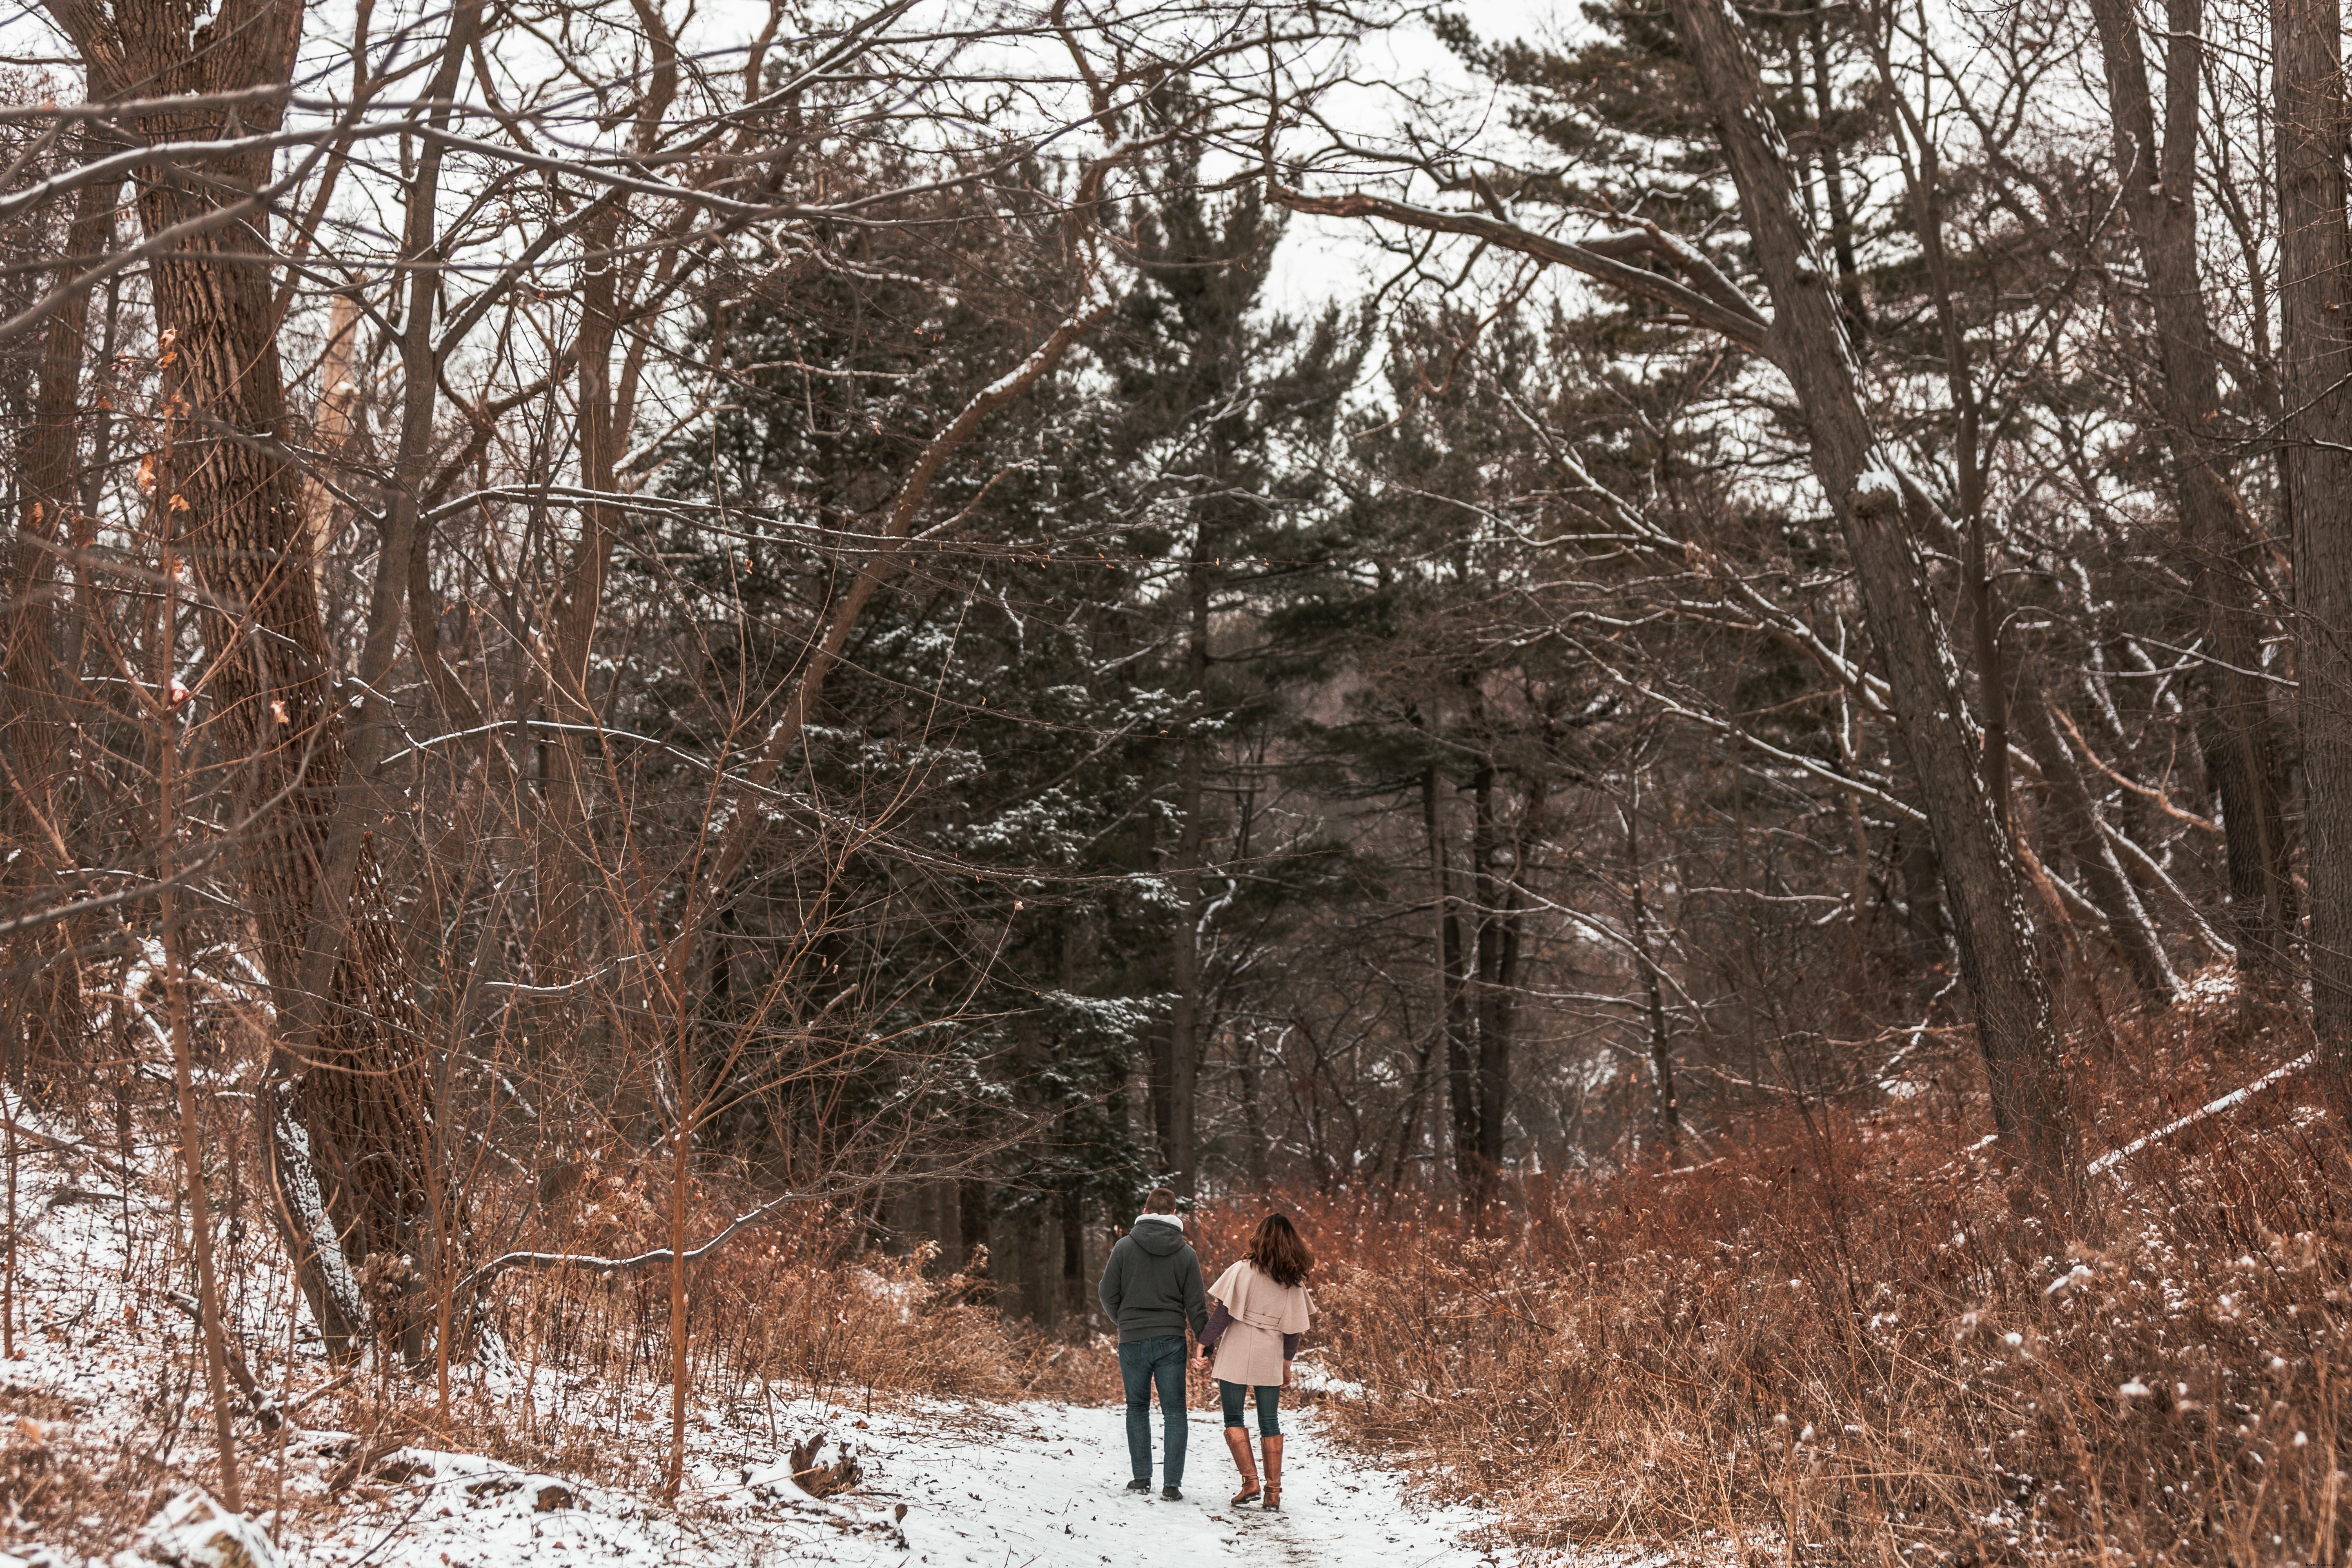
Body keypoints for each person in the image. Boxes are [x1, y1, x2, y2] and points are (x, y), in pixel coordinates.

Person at [1191, 1212, 1314, 1511]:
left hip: (1236, 1348)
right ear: (1292, 1243)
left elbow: (1223, 1314)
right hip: (1269, 1352)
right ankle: (1273, 1493)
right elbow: (1293, 1331)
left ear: (1259, 1237)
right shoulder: (1293, 1283)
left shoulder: (1242, 1270)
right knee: (1269, 1421)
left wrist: (1203, 1345)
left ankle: (1250, 1483)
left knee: (1234, 1419)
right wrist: (1287, 1365)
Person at [1096, 1186, 1207, 1500]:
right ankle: (1172, 1486)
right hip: (1171, 1339)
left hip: (1132, 1338)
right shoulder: (1186, 1253)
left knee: (1137, 1407)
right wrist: (1205, 1344)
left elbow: (1107, 1293)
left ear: (1145, 1212)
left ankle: (1141, 1479)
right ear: (1174, 1215)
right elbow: (1196, 1306)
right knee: (1175, 1412)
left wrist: (1125, 1321)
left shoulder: (1124, 1247)